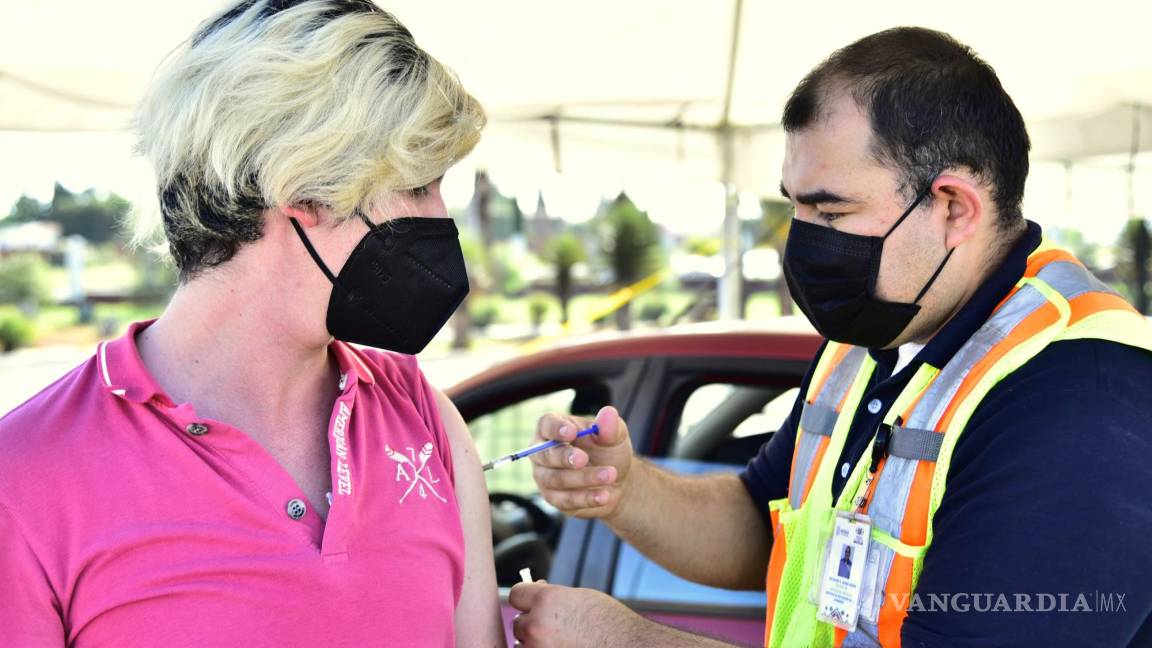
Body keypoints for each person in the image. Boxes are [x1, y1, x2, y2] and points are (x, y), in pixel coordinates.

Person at [509, 27, 1152, 647]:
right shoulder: (876, 328)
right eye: (795, 206)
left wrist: (622, 641)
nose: (804, 240)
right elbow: (761, 520)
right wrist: (627, 489)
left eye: (831, 211)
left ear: (955, 207)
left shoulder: (1079, 395)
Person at [0, 2, 503, 646]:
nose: (440, 217)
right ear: (303, 190)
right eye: (421, 185)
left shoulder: (420, 414)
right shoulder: (27, 480)